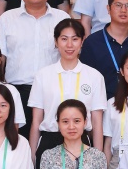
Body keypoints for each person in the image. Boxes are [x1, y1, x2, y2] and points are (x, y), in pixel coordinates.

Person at [28, 20, 106, 156]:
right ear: (56, 42)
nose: (69, 45)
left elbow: (97, 122)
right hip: (50, 141)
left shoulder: (94, 76)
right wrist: (32, 156)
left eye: (75, 39)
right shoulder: (43, 75)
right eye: (64, 39)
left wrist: (98, 157)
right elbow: (36, 121)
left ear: (82, 41)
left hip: (82, 142)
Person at [0, 0, 70, 103]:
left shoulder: (62, 19)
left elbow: (71, 55)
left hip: (54, 90)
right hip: (16, 92)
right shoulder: (7, 18)